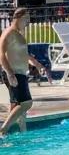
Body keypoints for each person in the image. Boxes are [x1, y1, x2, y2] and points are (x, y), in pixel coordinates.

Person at [0, 8, 46, 137]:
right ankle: (3, 130)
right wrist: (10, 73)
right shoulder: (9, 32)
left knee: (17, 107)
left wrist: (37, 65)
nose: (28, 22)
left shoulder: (19, 34)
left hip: (20, 73)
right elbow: (1, 54)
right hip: (14, 73)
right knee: (26, 103)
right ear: (19, 17)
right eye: (27, 19)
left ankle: (18, 137)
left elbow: (24, 55)